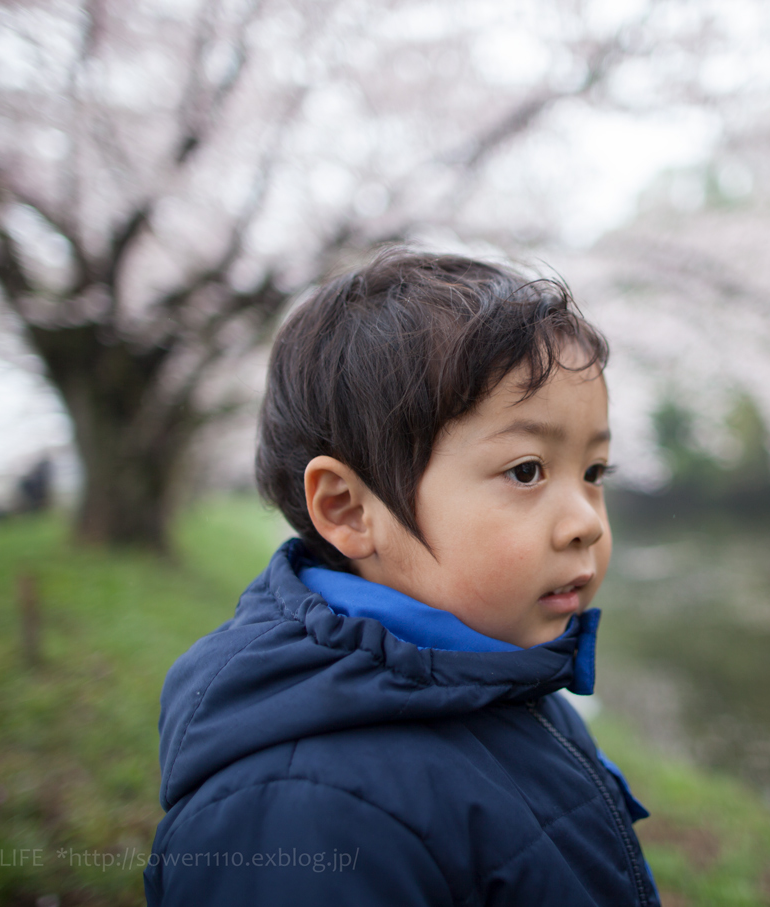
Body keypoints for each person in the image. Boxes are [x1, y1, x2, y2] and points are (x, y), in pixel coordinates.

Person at [145, 251, 659, 906]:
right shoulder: (303, 813)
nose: (585, 521)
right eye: (527, 470)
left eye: (594, 472)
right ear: (350, 510)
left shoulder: (502, 672)